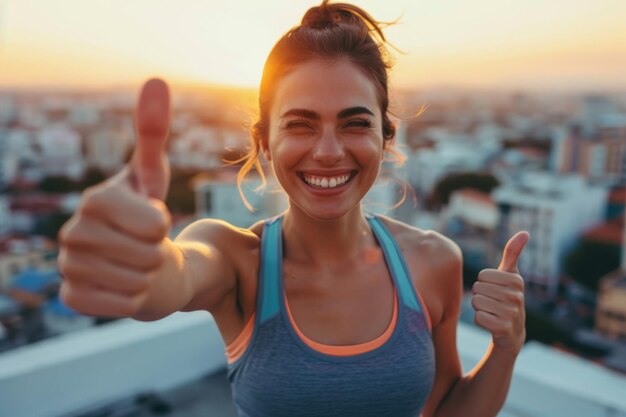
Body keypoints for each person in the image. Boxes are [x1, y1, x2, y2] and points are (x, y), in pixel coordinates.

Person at [58, 1, 530, 416]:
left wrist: (506, 348)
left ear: (385, 138)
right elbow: (174, 276)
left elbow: (447, 411)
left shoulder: (434, 260)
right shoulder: (233, 258)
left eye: (355, 123)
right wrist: (136, 262)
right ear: (264, 142)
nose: (327, 151)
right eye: (301, 125)